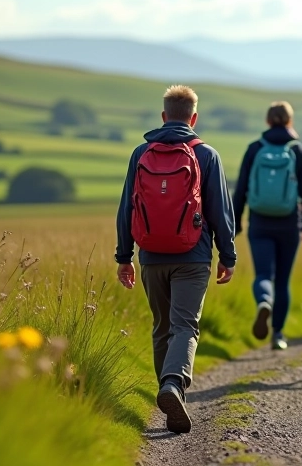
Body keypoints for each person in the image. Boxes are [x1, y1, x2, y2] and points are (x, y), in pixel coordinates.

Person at [115, 85, 237, 434]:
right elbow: (220, 212)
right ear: (194, 118)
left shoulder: (141, 153)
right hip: (193, 255)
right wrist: (227, 255)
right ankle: (173, 385)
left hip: (151, 255)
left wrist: (125, 256)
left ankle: (168, 395)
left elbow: (127, 208)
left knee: (162, 327)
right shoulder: (207, 155)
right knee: (186, 326)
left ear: (164, 116)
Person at [233, 101, 302, 351]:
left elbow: (241, 189)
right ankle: (278, 334)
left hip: (259, 222)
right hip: (289, 223)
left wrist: (235, 222)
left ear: (268, 121)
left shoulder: (255, 149)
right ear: (290, 121)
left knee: (263, 275)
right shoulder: (299, 151)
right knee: (283, 280)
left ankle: (264, 301)